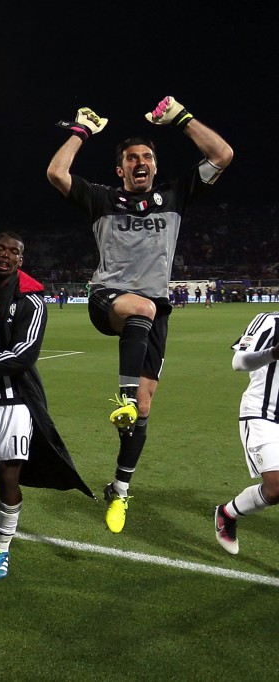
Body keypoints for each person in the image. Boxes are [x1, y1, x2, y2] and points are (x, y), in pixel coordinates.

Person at [47, 96, 234, 533]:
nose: (140, 162)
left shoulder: (175, 195)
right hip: (108, 300)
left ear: (154, 164)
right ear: (120, 170)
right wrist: (81, 132)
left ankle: (120, 490)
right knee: (142, 308)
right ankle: (124, 401)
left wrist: (182, 119)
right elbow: (56, 173)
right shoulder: (101, 198)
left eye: (147, 156)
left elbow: (222, 155)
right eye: (131, 158)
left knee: (145, 408)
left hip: (153, 316)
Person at [0, 233, 93, 580]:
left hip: (16, 403)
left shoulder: (32, 299)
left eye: (14, 252)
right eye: (1, 249)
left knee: (10, 477)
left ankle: (1, 549)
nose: (6, 255)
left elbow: (23, 356)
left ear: (21, 260)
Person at [213, 312, 279, 554]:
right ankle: (228, 513)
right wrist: (273, 353)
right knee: (275, 490)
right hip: (264, 415)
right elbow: (239, 362)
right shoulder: (270, 321)